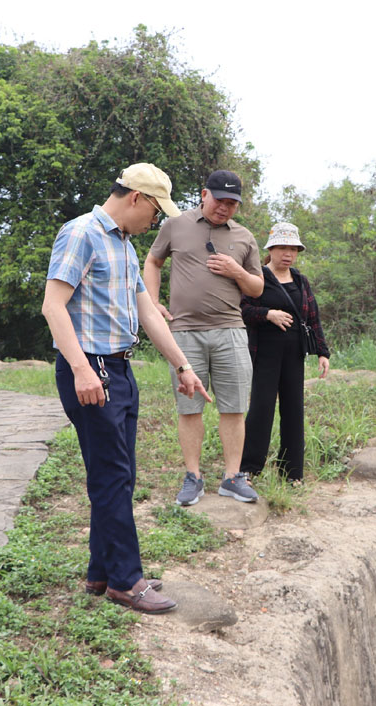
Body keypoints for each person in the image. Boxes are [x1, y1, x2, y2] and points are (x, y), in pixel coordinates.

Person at [42, 162, 211, 615]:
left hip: (119, 367)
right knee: (112, 474)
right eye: (155, 211)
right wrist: (80, 369)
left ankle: (101, 572)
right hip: (90, 367)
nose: (156, 221)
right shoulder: (81, 234)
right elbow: (52, 305)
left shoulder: (124, 246)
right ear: (136, 197)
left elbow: (149, 313)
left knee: (119, 474)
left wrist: (182, 366)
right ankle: (126, 581)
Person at [144, 170, 264, 506]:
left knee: (234, 407)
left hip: (231, 331)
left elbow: (257, 287)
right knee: (189, 407)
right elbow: (153, 261)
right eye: (220, 200)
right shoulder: (175, 225)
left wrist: (235, 271)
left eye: (232, 203)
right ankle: (193, 477)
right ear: (203, 194)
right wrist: (153, 302)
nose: (225, 208)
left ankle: (231, 477)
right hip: (183, 333)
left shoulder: (244, 237)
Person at [239, 222, 330, 483]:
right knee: (261, 409)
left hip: (294, 353)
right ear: (271, 249)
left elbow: (313, 317)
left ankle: (292, 473)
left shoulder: (300, 280)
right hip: (264, 353)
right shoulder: (258, 277)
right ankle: (249, 469)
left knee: (293, 410)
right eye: (282, 248)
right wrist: (268, 314)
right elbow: (242, 310)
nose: (287, 254)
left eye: (293, 249)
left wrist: (322, 353)